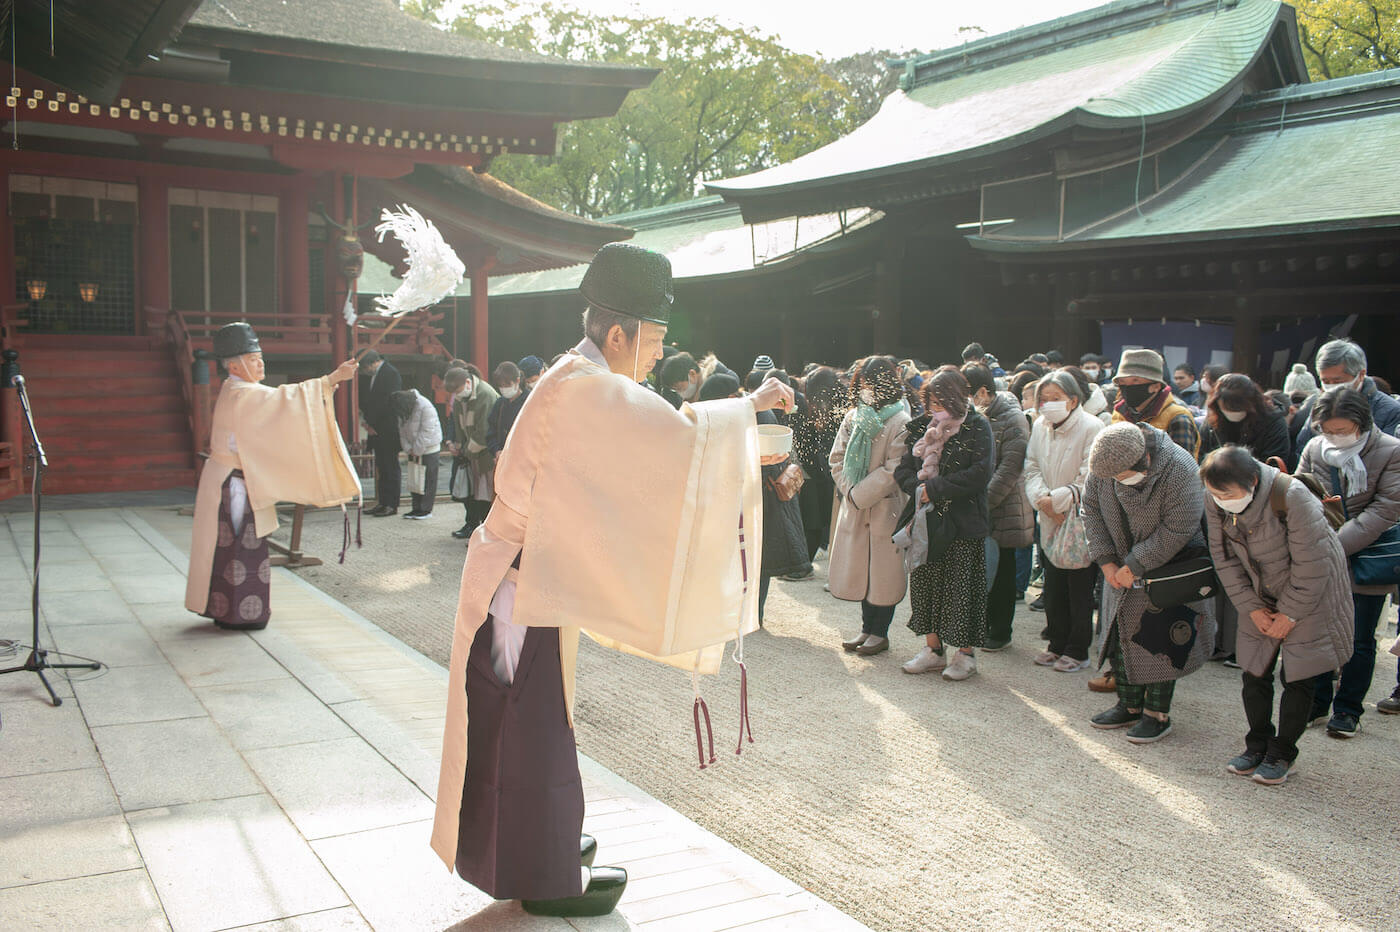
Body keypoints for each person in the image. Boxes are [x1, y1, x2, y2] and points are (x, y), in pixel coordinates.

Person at [431, 243, 792, 918]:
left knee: (522, 719)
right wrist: (749, 408)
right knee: (529, 724)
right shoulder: (588, 387)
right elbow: (681, 443)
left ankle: (536, 844)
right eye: (654, 340)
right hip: (518, 584)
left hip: (518, 573)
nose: (658, 354)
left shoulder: (577, 378)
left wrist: (743, 408)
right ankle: (542, 869)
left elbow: (653, 447)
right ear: (619, 332)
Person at [186, 323, 360, 630]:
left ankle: (226, 610)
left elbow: (279, 403)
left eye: (260, 357)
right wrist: (330, 379)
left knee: (231, 547)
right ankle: (239, 614)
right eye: (254, 359)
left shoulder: (239, 390)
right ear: (234, 364)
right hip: (234, 484)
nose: (261, 363)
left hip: (231, 479)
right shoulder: (241, 393)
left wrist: (323, 391)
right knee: (239, 547)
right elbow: (280, 402)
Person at [1201, 446, 1353, 784]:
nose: (1220, 500)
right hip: (1258, 593)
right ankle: (1256, 744)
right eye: (1214, 493)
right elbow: (1222, 557)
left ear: (1252, 481)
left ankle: (1283, 751)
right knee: (1254, 672)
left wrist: (1290, 615)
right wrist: (1251, 608)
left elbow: (1314, 565)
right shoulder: (1215, 498)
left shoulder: (1293, 496)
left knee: (1299, 676)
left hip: (1312, 595)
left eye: (1227, 494)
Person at [1082, 422, 1216, 743]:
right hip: (1119, 568)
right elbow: (1091, 510)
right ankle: (1127, 704)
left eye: (1122, 475)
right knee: (1119, 636)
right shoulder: (1104, 463)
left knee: (1161, 642)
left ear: (1143, 458)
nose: (1116, 481)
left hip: (1168, 567)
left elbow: (1179, 528)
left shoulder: (1179, 467)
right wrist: (1107, 561)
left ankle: (1157, 714)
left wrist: (1136, 563)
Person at [1294, 387, 1400, 738]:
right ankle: (1318, 700)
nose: (1335, 437)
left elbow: (1385, 508)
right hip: (1321, 553)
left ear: (1362, 423)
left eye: (1343, 430)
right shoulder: (1314, 448)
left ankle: (1349, 709)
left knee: (1358, 637)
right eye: (1329, 430)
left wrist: (1334, 545)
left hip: (1366, 555)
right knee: (1320, 631)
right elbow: (1300, 494)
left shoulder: (1390, 451)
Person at [896, 368, 994, 679]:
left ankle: (965, 654)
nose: (936, 409)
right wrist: (917, 488)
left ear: (959, 399)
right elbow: (903, 470)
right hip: (927, 520)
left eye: (941, 402)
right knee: (925, 584)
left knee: (961, 587)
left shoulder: (977, 427)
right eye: (931, 403)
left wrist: (933, 489)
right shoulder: (922, 428)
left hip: (964, 521)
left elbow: (980, 473)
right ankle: (933, 649)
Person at [831, 356, 913, 657]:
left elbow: (893, 469)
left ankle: (880, 632)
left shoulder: (900, 420)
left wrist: (859, 494)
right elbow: (836, 458)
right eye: (862, 382)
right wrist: (850, 491)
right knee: (864, 570)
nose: (865, 387)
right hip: (855, 504)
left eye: (870, 382)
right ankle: (866, 628)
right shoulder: (854, 416)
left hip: (884, 507)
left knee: (884, 573)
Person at [1023, 369, 1104, 672]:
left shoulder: (1092, 427)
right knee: (1053, 584)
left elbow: (1090, 475)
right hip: (1049, 515)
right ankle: (1056, 642)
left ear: (1072, 400)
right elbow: (1030, 467)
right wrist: (1042, 501)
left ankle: (1077, 649)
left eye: (1055, 398)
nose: (1048, 404)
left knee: (1079, 586)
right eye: (1043, 399)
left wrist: (1056, 500)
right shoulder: (1041, 427)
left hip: (1079, 517)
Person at [963, 363, 1032, 651]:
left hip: (1003, 504)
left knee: (1002, 570)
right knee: (982, 569)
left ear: (982, 391)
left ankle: (1000, 630)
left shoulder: (1012, 418)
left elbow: (1010, 468)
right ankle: (984, 623)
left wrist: (985, 501)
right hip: (980, 505)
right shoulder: (976, 415)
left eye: (967, 393)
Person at [755, 382, 813, 622]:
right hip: (769, 494)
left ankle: (750, 616)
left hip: (759, 495)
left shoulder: (754, 415)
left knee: (756, 564)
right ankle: (756, 615)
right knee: (762, 566)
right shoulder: (769, 417)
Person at [1293, 339, 1400, 452]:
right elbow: (1303, 447)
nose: (1332, 387)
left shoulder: (1391, 411)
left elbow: (1388, 457)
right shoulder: (1320, 406)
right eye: (1325, 381)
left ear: (1361, 375)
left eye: (1337, 381)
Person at [792, 365, 845, 561]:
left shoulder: (838, 410)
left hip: (828, 474)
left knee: (823, 521)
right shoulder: (843, 406)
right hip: (830, 474)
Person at [1111, 348, 1201, 458]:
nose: (1127, 387)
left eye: (1135, 381)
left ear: (1156, 386)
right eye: (1122, 382)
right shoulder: (1119, 413)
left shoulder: (1178, 418)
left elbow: (1183, 469)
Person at [445, 366, 500, 541]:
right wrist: (457, 445)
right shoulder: (463, 396)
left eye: (458, 391)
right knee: (474, 493)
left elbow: (484, 430)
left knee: (487, 494)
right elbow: (458, 423)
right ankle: (474, 527)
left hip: (486, 454)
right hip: (471, 454)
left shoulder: (485, 394)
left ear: (468, 383)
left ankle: (488, 531)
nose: (457, 395)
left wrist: (467, 451)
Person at [357, 349, 403, 516]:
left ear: (372, 363)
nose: (364, 371)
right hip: (376, 427)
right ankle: (382, 502)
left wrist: (373, 423)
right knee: (381, 467)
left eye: (364, 367)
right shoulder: (376, 375)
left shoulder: (390, 373)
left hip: (387, 427)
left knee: (390, 466)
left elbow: (388, 402)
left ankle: (391, 504)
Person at [392, 387, 443, 519]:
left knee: (427, 479)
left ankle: (426, 509)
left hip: (429, 448)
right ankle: (416, 508)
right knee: (414, 478)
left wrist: (417, 449)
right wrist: (408, 448)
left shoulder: (425, 406)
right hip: (413, 449)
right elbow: (401, 431)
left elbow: (427, 431)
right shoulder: (403, 408)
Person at [485, 361, 529, 457]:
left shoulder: (529, 402)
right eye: (501, 386)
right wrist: (496, 450)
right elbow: (491, 431)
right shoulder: (500, 404)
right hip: (502, 457)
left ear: (517, 380)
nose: (504, 389)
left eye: (507, 385)